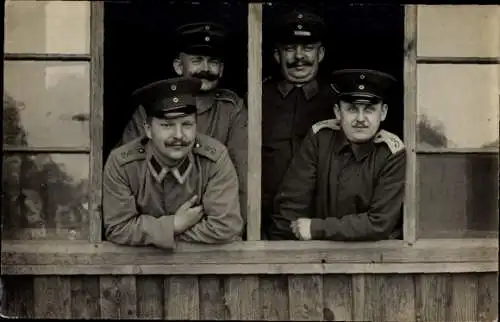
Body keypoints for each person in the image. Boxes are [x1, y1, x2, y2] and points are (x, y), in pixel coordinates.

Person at [121, 22, 248, 224]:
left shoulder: (232, 110)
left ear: (222, 69)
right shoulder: (149, 109)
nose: (205, 69)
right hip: (153, 229)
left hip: (213, 227)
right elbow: (127, 174)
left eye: (213, 62)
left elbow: (243, 178)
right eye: (197, 60)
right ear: (179, 66)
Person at [103, 77, 243, 249]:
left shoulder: (214, 159)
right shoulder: (122, 164)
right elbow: (118, 228)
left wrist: (155, 233)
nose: (179, 135)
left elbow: (226, 227)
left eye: (187, 124)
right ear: (148, 129)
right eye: (167, 125)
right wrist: (175, 225)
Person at [269, 69, 405, 241]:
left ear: (383, 112)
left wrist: (317, 228)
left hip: (374, 257)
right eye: (352, 109)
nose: (361, 119)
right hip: (317, 257)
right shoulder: (320, 139)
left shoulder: (392, 153)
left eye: (370, 109)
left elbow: (379, 223)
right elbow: (292, 205)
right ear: (338, 112)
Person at [261, 9, 337, 238]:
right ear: (277, 55)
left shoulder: (338, 101)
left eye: (307, 48)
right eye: (290, 49)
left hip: (321, 222)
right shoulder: (256, 98)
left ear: (321, 53)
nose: (299, 57)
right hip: (264, 222)